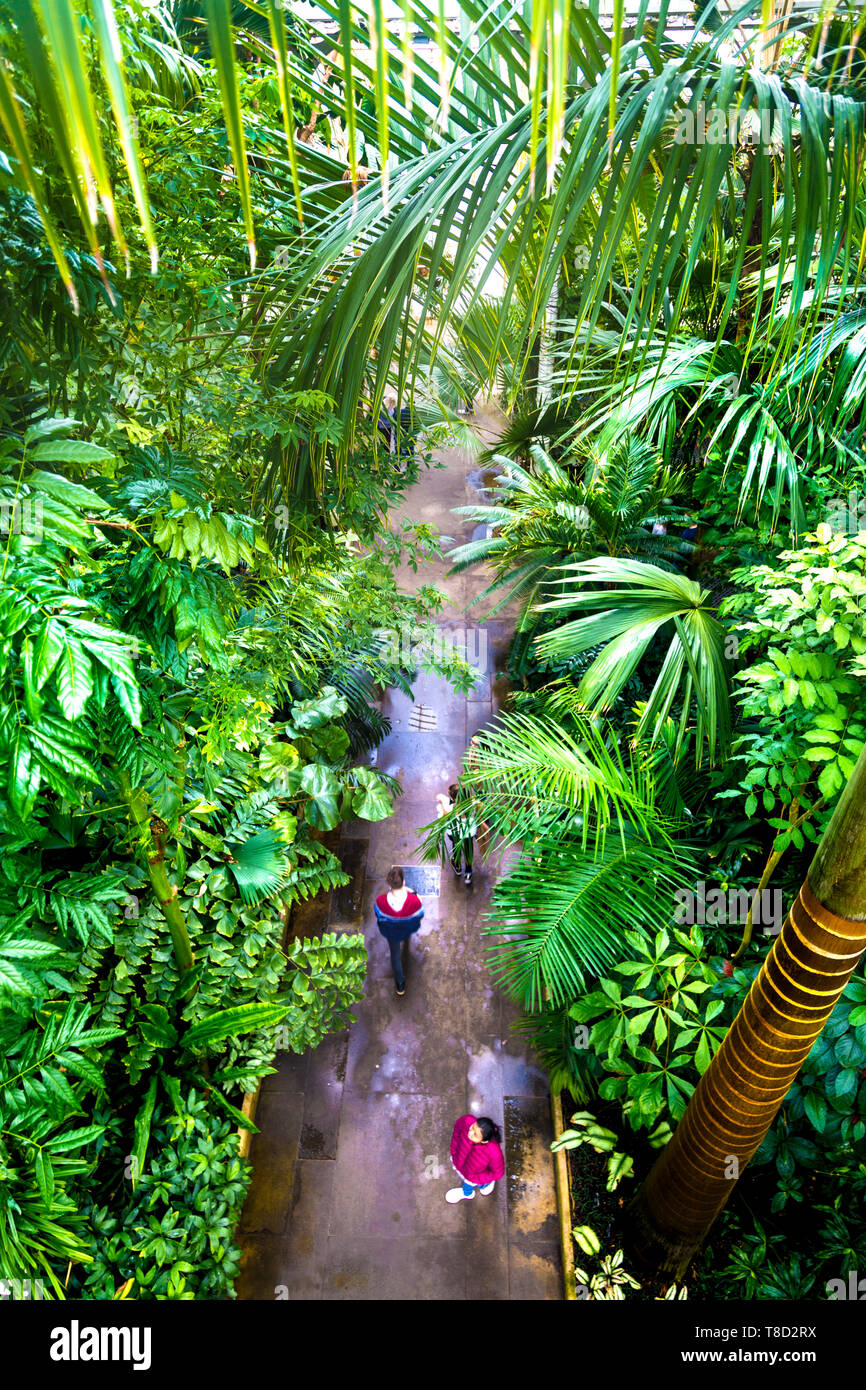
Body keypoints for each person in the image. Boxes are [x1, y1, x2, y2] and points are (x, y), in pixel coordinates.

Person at [374, 865, 424, 997]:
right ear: (404, 882)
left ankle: (400, 984)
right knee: (406, 930)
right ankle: (406, 937)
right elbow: (420, 914)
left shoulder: (381, 901)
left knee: (395, 956)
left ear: (389, 885)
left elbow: (378, 915)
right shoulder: (415, 900)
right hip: (408, 927)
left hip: (392, 933)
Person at [446, 1115, 505, 1203]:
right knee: (464, 1175)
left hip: (474, 1175)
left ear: (484, 1141)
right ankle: (481, 1186)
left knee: (468, 1185)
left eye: (475, 1135)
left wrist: (475, 1178)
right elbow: (456, 1134)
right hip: (460, 1162)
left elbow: (497, 1173)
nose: (470, 1133)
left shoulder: (493, 1153)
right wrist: (454, 1151)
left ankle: (469, 1193)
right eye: (473, 1127)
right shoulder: (466, 1121)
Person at [436, 782, 477, 886]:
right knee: (468, 850)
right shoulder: (473, 803)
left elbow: (443, 817)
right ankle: (468, 873)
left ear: (454, 799)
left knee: (456, 847)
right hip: (469, 833)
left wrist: (441, 801)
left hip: (455, 833)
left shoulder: (451, 808)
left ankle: (457, 866)